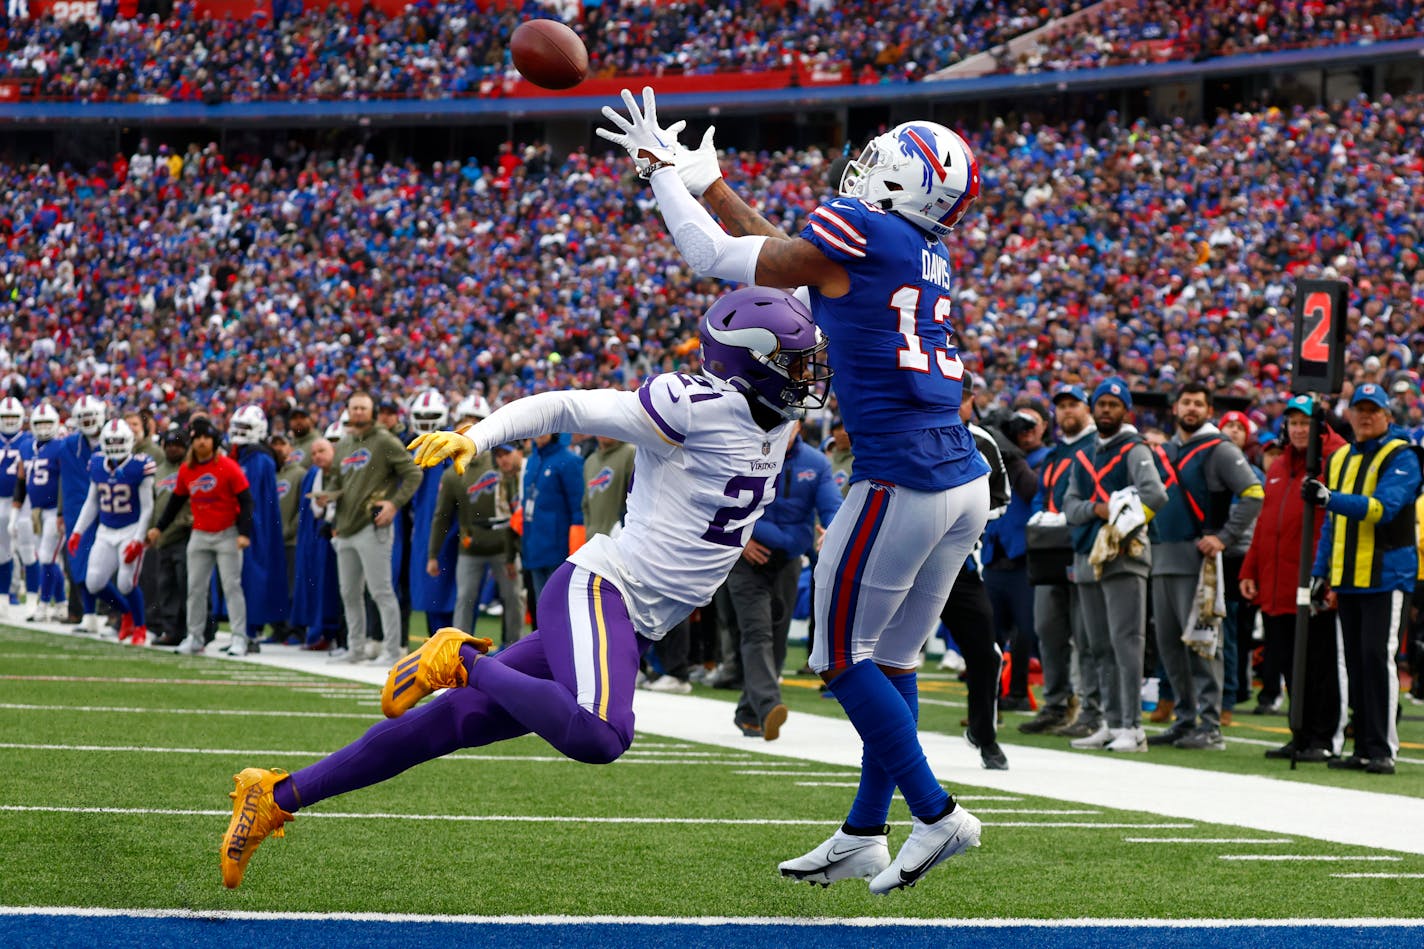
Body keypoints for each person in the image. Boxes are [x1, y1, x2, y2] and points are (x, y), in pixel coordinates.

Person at [217, 286, 826, 890]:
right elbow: (564, 407)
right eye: (792, 364)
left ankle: (276, 795)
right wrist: (476, 437)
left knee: (451, 724)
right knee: (600, 734)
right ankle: (457, 656)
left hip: (634, 619)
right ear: (747, 366)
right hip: (602, 590)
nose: (807, 376)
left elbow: (800, 278)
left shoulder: (776, 417)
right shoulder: (690, 404)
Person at [599, 90, 988, 893]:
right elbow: (788, 258)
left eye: (885, 159)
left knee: (840, 656)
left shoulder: (864, 232)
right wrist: (709, 185)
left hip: (901, 478)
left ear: (902, 181)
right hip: (961, 480)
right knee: (894, 656)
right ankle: (861, 832)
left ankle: (937, 811)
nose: (867, 164)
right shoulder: (921, 250)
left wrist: (664, 173)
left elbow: (719, 260)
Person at [1307, 382, 1422, 775]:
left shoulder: (1404, 455)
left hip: (1388, 575)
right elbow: (1330, 526)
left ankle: (1382, 747)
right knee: (1354, 661)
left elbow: (1384, 508)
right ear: (1351, 414)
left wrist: (1329, 499)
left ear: (1388, 416)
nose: (1367, 416)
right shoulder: (1339, 460)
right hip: (1348, 575)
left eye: (1375, 410)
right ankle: (1361, 745)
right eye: (1361, 409)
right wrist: (1320, 573)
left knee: (1376, 657)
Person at [1145, 382, 1263, 751]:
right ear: (1175, 407)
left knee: (1204, 643)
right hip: (1162, 557)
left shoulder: (1220, 450)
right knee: (1169, 647)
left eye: (1198, 403)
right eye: (1186, 402)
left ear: (1208, 410)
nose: (1191, 409)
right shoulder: (1165, 451)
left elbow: (1253, 494)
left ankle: (1210, 723)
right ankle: (1184, 719)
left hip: (1199, 562)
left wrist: (1225, 536)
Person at [1063, 377, 1168, 754]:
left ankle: (1132, 726)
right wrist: (1098, 509)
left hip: (1124, 556)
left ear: (1126, 411)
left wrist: (1123, 522)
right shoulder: (1083, 454)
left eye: (1113, 404)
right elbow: (1071, 507)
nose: (1106, 410)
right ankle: (1111, 720)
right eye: (1101, 404)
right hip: (1090, 556)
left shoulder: (1135, 449)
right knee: (1098, 645)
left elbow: (1156, 493)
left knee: (1126, 643)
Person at [1239, 394, 1346, 761]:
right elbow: (1266, 523)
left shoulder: (1336, 459)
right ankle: (1298, 732)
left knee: (1320, 662)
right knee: (1287, 662)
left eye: (1306, 423)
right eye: (1294, 423)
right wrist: (1250, 568)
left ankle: (1323, 736)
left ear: (1321, 426)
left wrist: (1331, 575)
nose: (1299, 430)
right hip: (1275, 582)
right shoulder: (1278, 465)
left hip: (1313, 580)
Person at [729, 418, 840, 738]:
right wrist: (740, 540)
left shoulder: (816, 464)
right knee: (757, 631)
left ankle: (749, 713)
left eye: (787, 428)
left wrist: (834, 529)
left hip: (788, 559)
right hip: (746, 558)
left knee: (777, 636)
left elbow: (832, 506)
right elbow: (719, 501)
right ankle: (768, 705)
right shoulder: (743, 453)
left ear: (798, 428)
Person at [319, 392, 423, 664]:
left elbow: (414, 473)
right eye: (354, 408)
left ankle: (391, 651)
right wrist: (328, 496)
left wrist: (394, 504)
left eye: (364, 408)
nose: (359, 413)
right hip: (345, 528)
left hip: (372, 526)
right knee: (349, 593)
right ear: (348, 411)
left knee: (381, 591)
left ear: (372, 411)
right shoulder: (343, 445)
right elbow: (336, 481)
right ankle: (355, 649)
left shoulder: (385, 440)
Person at [1021, 384, 1098, 737]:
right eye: (1062, 406)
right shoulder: (1054, 453)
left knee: (1086, 633)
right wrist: (1041, 516)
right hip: (1051, 547)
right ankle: (1055, 703)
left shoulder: (1096, 447)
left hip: (1082, 544)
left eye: (1073, 405)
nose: (1067, 412)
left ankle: (1088, 706)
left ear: (1087, 409)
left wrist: (1064, 516)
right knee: (1048, 629)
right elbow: (1041, 493)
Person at [148, 417, 252, 656]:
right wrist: (159, 527)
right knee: (194, 587)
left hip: (227, 532)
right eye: (198, 438)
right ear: (192, 443)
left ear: (214, 441)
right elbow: (176, 501)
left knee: (231, 586)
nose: (203, 442)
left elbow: (246, 499)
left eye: (207, 438)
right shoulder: (188, 469)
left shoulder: (228, 466)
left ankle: (239, 638)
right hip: (200, 532)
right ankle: (194, 636)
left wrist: (245, 532)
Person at [67, 420, 156, 645]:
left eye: (119, 440)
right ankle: (126, 613)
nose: (115, 445)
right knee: (94, 582)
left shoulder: (140, 466)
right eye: (111, 441)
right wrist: (78, 531)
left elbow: (148, 507)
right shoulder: (97, 463)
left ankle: (140, 627)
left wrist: (138, 540)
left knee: (126, 583)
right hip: (106, 530)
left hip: (130, 529)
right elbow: (91, 502)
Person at [227, 405, 289, 656]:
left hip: (254, 526)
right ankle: (242, 632)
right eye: (238, 427)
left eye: (246, 428)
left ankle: (249, 632)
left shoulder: (259, 459)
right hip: (242, 524)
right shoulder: (241, 455)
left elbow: (253, 498)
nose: (240, 433)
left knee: (250, 579)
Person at [406, 390, 458, 636]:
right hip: (425, 526)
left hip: (446, 527)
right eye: (421, 415)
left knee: (444, 588)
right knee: (429, 591)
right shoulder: (414, 449)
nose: (426, 419)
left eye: (431, 415)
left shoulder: (449, 447)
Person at [14, 402, 67, 622]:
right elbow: (20, 479)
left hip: (54, 510)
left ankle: (44, 605)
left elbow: (65, 481)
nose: (44, 427)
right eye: (40, 423)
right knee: (47, 558)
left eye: (48, 423)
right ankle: (61, 604)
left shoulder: (61, 447)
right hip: (35, 510)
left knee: (47, 557)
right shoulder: (26, 447)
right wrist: (16, 511)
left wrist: (62, 513)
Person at [58, 396, 106, 630]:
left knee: (107, 564)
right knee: (76, 562)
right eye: (83, 417)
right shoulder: (69, 445)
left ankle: (115, 613)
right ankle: (85, 613)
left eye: (91, 416)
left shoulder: (113, 441)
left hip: (110, 511)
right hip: (77, 511)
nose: (88, 421)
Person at [291, 438, 342, 652]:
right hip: (321, 534)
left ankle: (340, 637)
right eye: (313, 453)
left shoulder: (342, 472)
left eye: (322, 451)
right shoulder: (314, 475)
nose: (317, 456)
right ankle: (322, 633)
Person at [146, 428, 194, 646]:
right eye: (169, 443)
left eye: (178, 443)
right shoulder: (159, 471)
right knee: (166, 586)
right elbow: (152, 504)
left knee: (186, 585)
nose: (173, 447)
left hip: (185, 533)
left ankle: (189, 630)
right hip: (163, 537)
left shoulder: (190, 468)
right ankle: (171, 630)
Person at [266, 431, 308, 646]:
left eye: (282, 444)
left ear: (290, 447)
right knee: (275, 588)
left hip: (291, 541)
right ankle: (278, 629)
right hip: (273, 542)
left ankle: (295, 630)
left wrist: (291, 529)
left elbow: (303, 507)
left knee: (292, 587)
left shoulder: (299, 473)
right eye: (274, 444)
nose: (278, 448)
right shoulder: (271, 474)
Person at [0, 396, 34, 615]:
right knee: (3, 551)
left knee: (28, 550)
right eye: (6, 417)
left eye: (14, 416)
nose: (10, 421)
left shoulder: (29, 439)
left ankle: (35, 597)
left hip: (24, 502)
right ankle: (5, 594)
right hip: (1, 501)